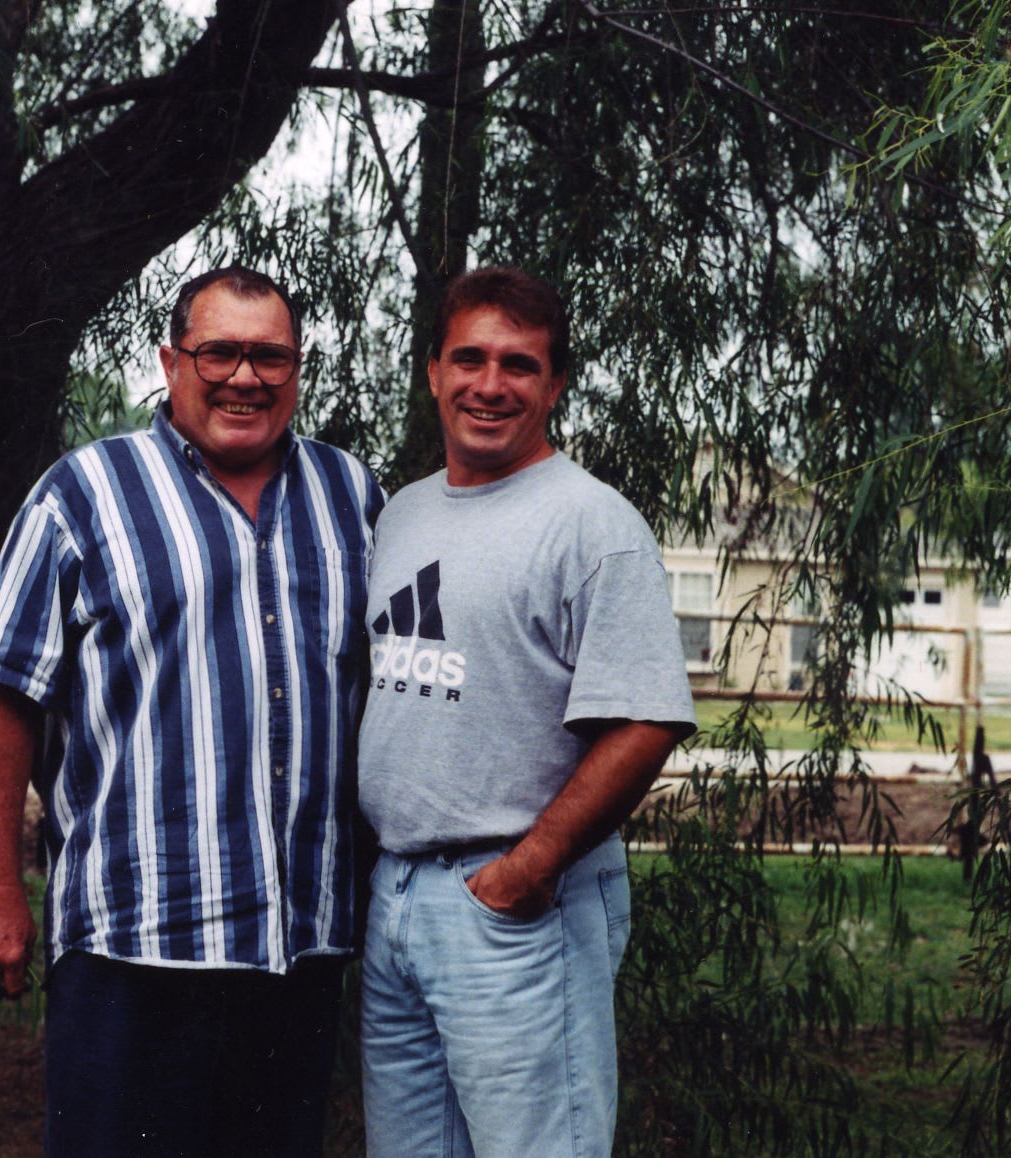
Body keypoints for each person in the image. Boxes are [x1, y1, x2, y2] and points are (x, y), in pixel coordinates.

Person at [0, 266, 384, 1156]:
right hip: (134, 948)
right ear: (170, 361)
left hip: (297, 951)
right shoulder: (83, 494)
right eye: (218, 351)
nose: (245, 376)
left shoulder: (358, 501)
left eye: (270, 355)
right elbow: (2, 698)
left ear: (297, 369)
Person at [358, 266, 696, 1157]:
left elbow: (646, 721)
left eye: (519, 365)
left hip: (509, 903)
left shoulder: (591, 524)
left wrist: (528, 868)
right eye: (469, 358)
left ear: (554, 384)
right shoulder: (402, 515)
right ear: (432, 370)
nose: (490, 384)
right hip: (396, 901)